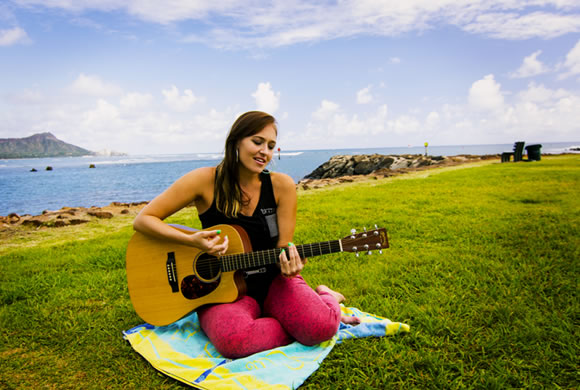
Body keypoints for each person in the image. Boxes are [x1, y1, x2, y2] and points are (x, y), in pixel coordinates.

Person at [133, 111, 358, 359]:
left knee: (322, 327)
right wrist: (191, 240)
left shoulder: (281, 186)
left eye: (271, 146)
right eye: (257, 141)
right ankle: (292, 321)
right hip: (219, 293)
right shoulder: (203, 181)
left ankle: (326, 296)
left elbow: (284, 245)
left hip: (274, 282)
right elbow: (143, 220)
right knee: (234, 341)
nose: (265, 151)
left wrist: (291, 264)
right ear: (236, 141)